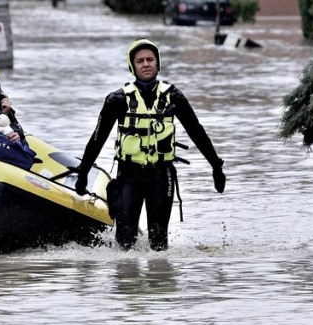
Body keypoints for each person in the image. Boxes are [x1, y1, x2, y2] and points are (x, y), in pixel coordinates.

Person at [74, 38, 226, 251]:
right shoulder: (117, 100)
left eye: (150, 59)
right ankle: (126, 273)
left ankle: (160, 273)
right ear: (132, 67)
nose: (146, 64)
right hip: (129, 175)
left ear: (158, 63)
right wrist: (82, 174)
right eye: (140, 61)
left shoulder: (173, 96)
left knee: (159, 244)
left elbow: (197, 132)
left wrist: (216, 166)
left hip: (161, 175)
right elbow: (97, 139)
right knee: (125, 243)